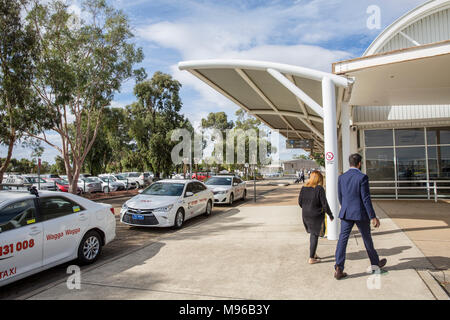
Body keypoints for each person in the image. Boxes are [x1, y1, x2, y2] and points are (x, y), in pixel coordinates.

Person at [334, 154, 387, 280]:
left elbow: (340, 196)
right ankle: (375, 264)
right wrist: (373, 216)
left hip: (346, 213)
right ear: (359, 164)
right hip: (360, 213)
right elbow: (366, 199)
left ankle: (338, 268)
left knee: (342, 240)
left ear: (350, 163)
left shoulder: (342, 177)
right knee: (367, 239)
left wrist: (346, 207)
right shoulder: (362, 177)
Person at [298, 171, 334, 264]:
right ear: (319, 179)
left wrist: (307, 208)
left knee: (312, 234)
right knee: (314, 235)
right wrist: (330, 214)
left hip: (305, 214)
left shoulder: (304, 188)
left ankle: (313, 254)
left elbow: (300, 202)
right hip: (315, 215)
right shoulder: (319, 189)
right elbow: (324, 204)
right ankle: (311, 258)